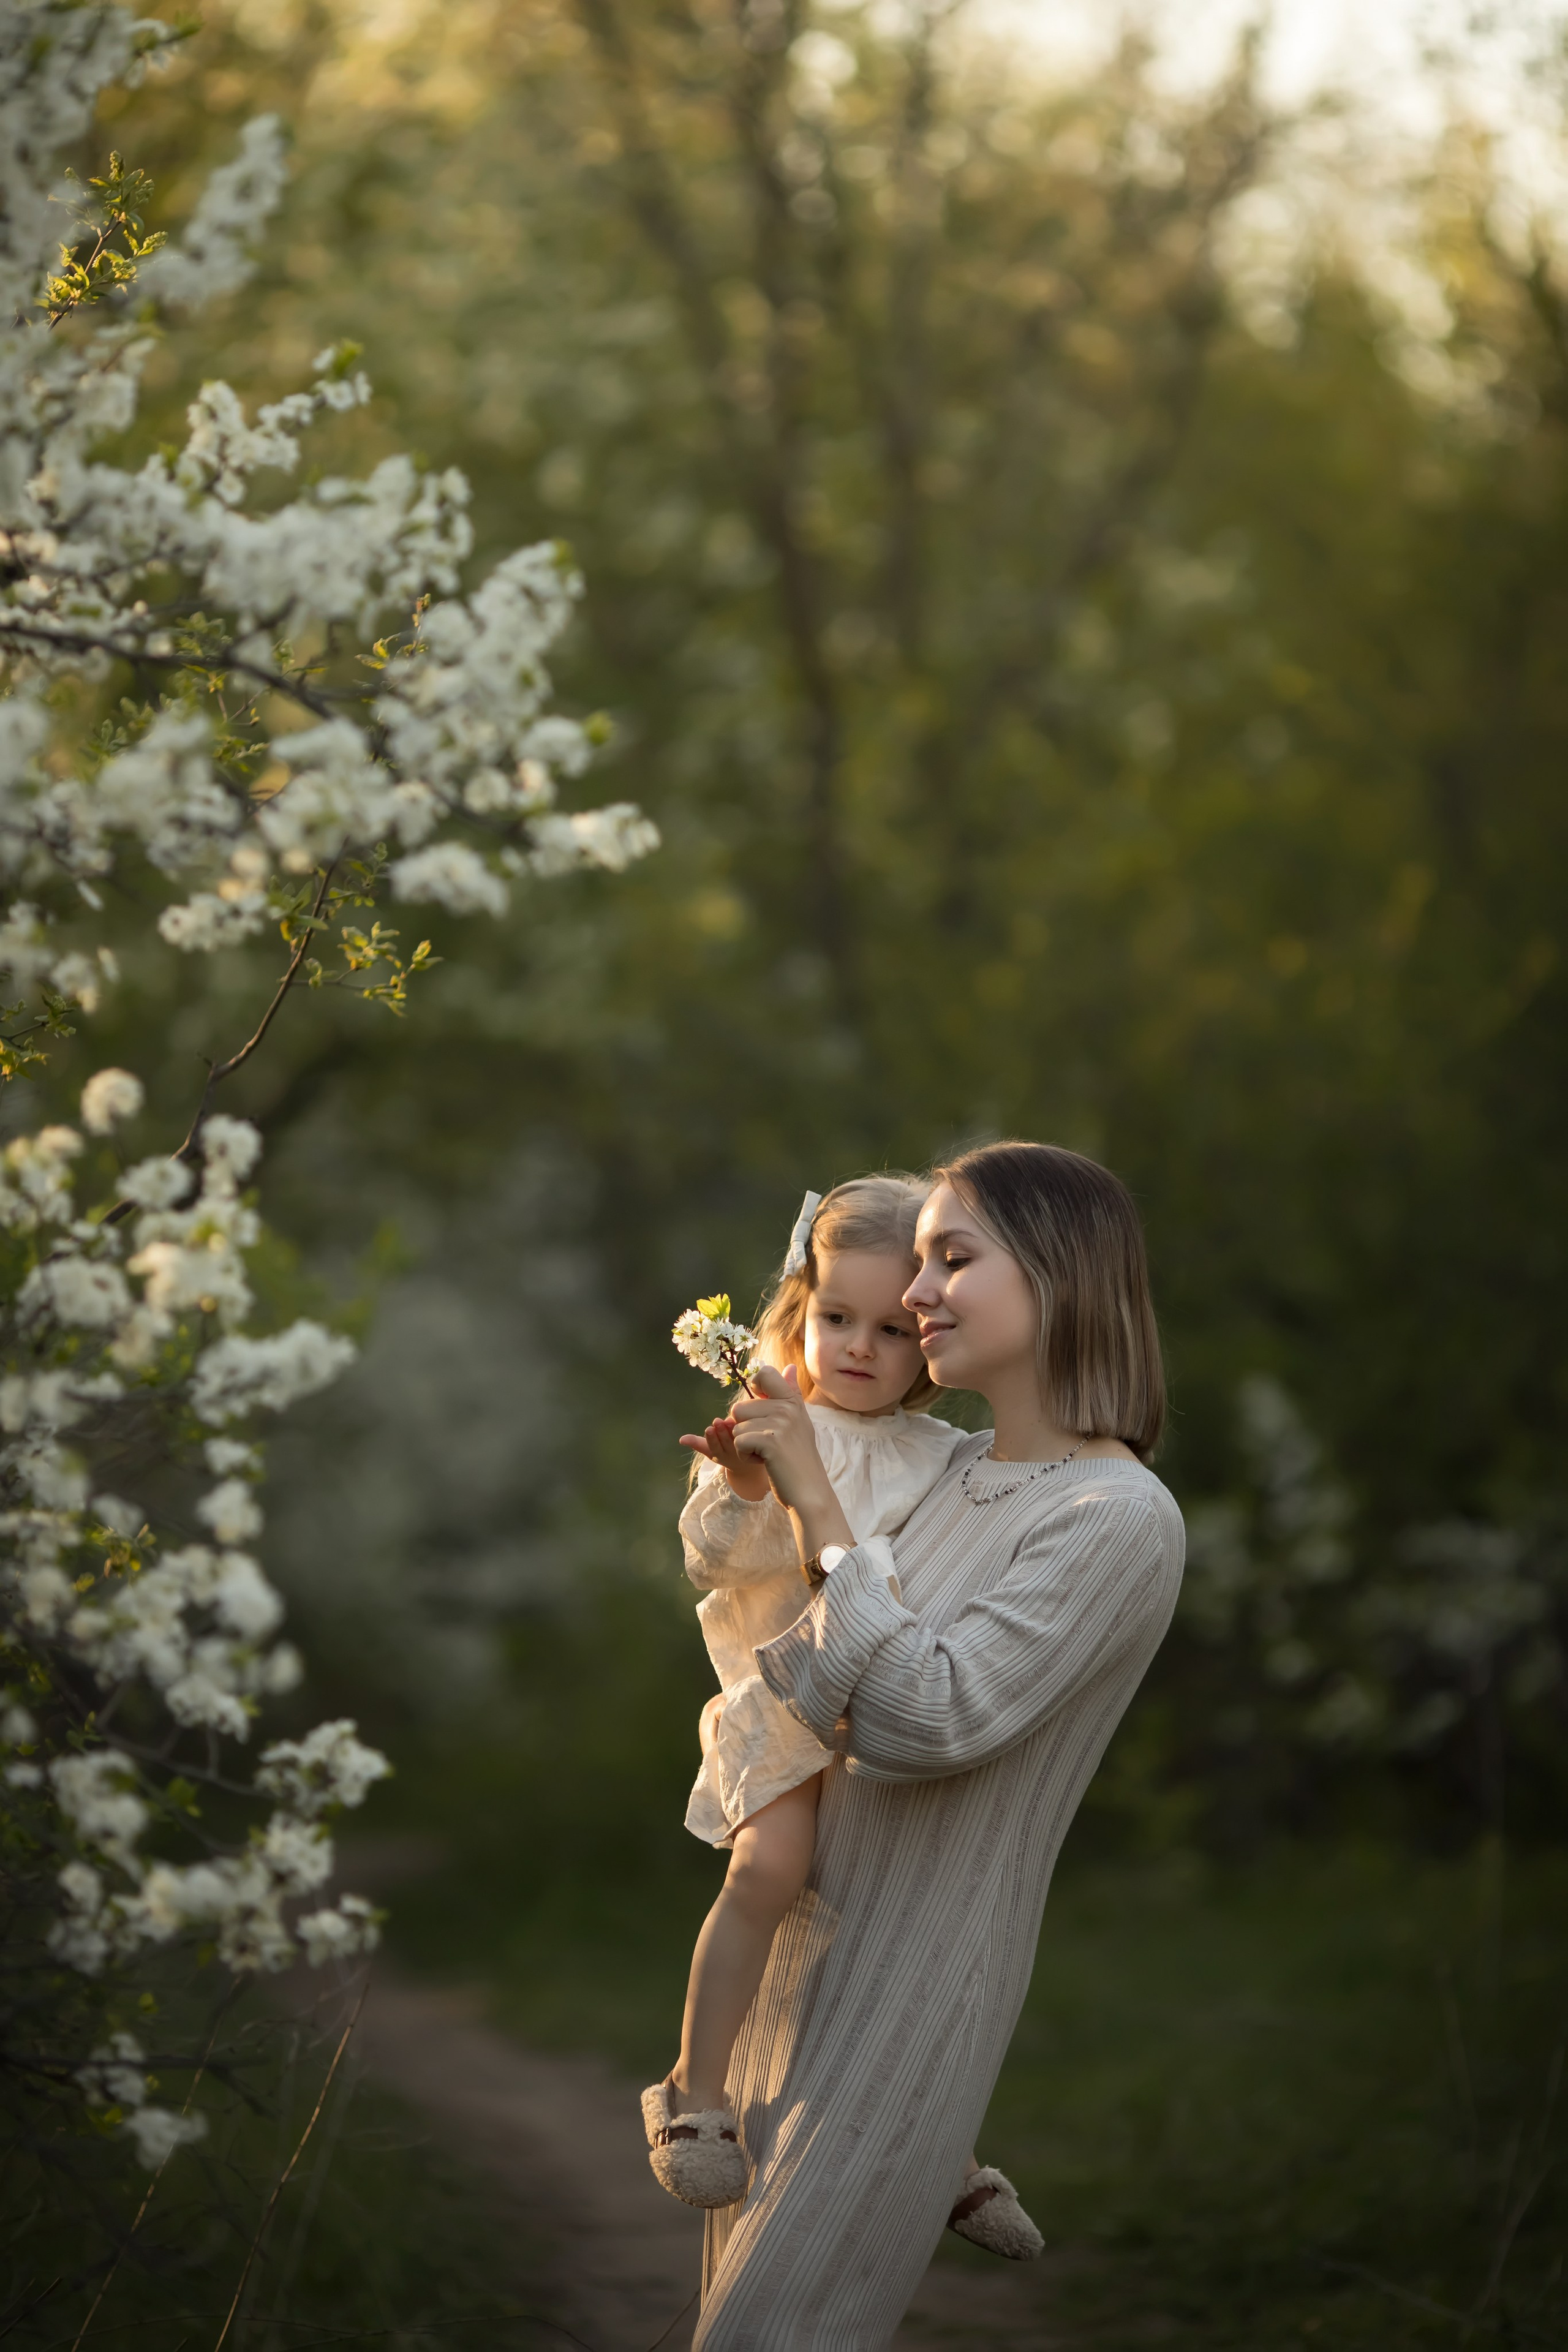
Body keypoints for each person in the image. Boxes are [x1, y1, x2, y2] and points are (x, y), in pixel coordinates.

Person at [687, 1140, 1186, 2351]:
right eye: (915, 1265)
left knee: (780, 2329)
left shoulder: (1112, 1518)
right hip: (800, 1965)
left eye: (948, 1260)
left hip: (913, 1990)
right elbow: (795, 1669)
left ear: (1058, 1278)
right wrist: (764, 1491)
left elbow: (922, 1723)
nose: (912, 1299)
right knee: (729, 2319)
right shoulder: (943, 1474)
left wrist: (814, 1500)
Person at [641, 1178, 1043, 2260]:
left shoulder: (949, 1456)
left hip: (881, 1716)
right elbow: (712, 1567)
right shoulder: (774, 1427)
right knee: (768, 1875)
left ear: (926, 1337)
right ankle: (695, 2085)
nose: (859, 1349)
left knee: (901, 1925)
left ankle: (940, 2149)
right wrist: (747, 1483)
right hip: (780, 1710)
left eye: (889, 1328)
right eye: (834, 1319)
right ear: (798, 1312)